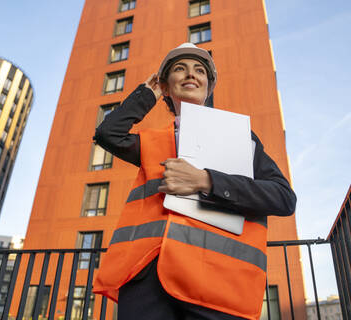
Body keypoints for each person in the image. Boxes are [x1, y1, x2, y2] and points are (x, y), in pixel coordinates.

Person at [92, 43, 296, 320]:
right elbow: (108, 133)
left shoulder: (239, 137)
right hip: (147, 280)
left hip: (216, 281)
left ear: (208, 87)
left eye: (200, 70)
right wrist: (147, 93)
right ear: (166, 86)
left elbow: (283, 198)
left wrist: (206, 181)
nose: (191, 74)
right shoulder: (152, 141)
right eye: (180, 69)